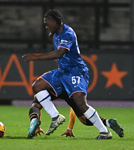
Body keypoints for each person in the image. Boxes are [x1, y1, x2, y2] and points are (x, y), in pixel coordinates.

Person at [22, 9, 112, 140]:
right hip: (62, 72)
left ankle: (104, 132)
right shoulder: (55, 34)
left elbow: (60, 53)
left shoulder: (67, 33)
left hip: (76, 71)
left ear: (55, 21)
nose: (46, 26)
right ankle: (55, 116)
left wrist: (36, 57)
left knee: (80, 103)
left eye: (47, 23)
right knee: (37, 85)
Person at [29, 90, 124, 138]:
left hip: (49, 89)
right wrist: (69, 128)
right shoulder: (67, 80)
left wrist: (37, 126)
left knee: (36, 105)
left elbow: (37, 105)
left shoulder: (39, 84)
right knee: (83, 118)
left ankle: (34, 121)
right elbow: (73, 108)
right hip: (67, 89)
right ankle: (108, 122)